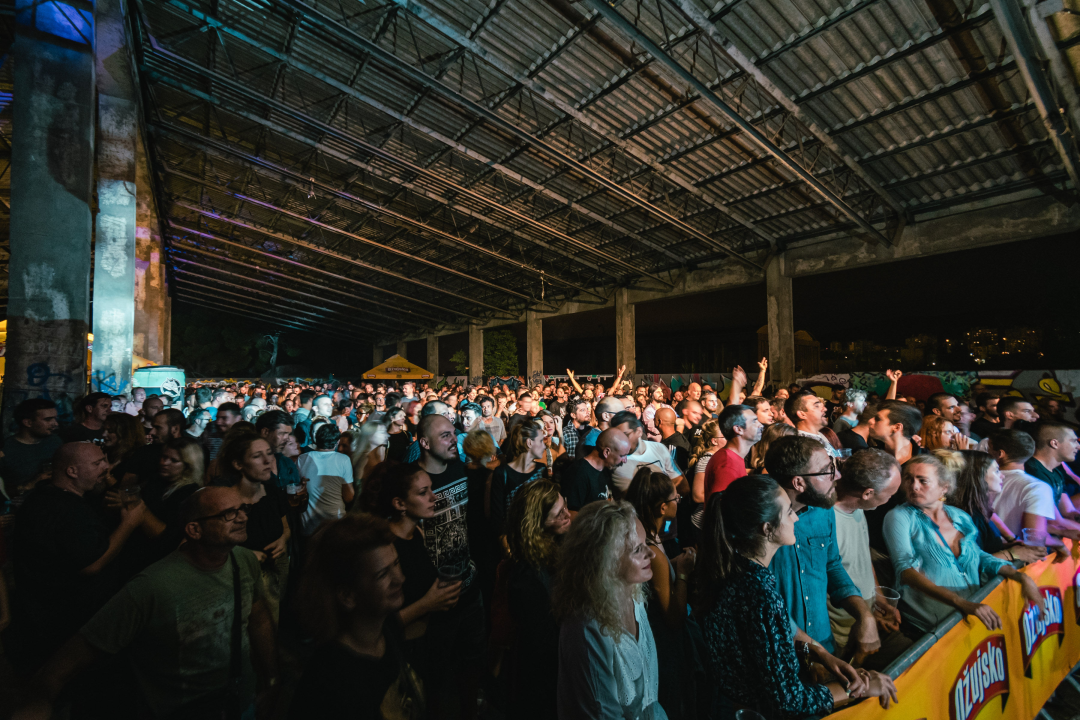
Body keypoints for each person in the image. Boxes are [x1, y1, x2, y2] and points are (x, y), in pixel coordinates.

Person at [17, 487, 278, 720]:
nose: (243, 517)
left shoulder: (243, 561)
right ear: (194, 529)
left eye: (242, 509)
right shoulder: (151, 586)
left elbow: (259, 620)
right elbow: (71, 659)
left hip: (240, 703)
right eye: (228, 514)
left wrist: (269, 680)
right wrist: (40, 699)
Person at [695, 476, 897, 719]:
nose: (796, 518)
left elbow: (760, 648)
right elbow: (789, 701)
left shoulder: (732, 569)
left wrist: (817, 652)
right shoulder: (760, 594)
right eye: (789, 512)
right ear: (767, 529)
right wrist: (860, 688)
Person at [10, 443, 146, 671]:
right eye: (97, 463)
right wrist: (129, 524)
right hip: (62, 621)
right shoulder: (69, 511)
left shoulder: (43, 496)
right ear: (72, 471)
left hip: (38, 613)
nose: (105, 468)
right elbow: (91, 565)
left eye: (104, 460)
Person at [883, 455, 1047, 633]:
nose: (914, 486)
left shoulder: (959, 516)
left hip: (970, 613)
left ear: (944, 487)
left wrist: (1021, 577)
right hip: (931, 624)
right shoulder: (899, 517)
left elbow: (979, 556)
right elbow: (905, 571)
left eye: (923, 481)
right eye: (908, 479)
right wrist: (961, 602)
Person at [289, 512, 424, 717]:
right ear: (347, 595)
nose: (399, 578)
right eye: (382, 574)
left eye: (396, 564)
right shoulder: (328, 682)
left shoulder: (388, 629)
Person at [553, 500, 667, 720]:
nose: (651, 555)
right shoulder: (588, 629)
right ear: (606, 561)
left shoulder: (634, 595)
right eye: (637, 549)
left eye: (646, 543)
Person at [765, 435, 878, 657]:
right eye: (827, 470)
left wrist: (864, 614)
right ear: (798, 482)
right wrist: (812, 650)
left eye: (833, 465)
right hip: (780, 650)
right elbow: (760, 597)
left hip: (823, 640)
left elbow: (832, 565)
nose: (837, 475)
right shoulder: (759, 521)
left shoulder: (823, 510)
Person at [411, 414, 486, 720]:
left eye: (453, 434)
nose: (453, 439)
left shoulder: (461, 469)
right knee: (435, 673)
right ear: (424, 443)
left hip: (469, 587)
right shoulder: (413, 484)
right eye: (444, 436)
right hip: (434, 597)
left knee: (472, 663)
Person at [828, 449, 913, 670]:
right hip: (842, 634)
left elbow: (862, 557)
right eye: (890, 493)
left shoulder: (858, 507)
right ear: (867, 492)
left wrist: (879, 598)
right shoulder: (827, 522)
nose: (891, 499)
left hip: (867, 616)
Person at [626, 469, 699, 720]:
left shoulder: (650, 534)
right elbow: (673, 617)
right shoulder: (653, 554)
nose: (679, 501)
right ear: (663, 508)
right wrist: (683, 573)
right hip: (663, 645)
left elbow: (667, 535)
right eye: (676, 499)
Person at [503, 480, 571, 720]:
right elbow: (543, 646)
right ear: (538, 524)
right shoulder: (527, 578)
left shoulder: (557, 544)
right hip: (544, 682)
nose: (567, 515)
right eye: (558, 514)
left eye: (565, 506)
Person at [215, 432, 291, 622]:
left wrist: (282, 540)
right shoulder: (222, 497)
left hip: (275, 570)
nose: (267, 461)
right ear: (238, 464)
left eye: (269, 453)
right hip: (238, 576)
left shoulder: (272, 487)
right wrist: (245, 555)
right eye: (257, 456)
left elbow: (286, 526)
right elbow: (212, 541)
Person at [989, 429, 1078, 549]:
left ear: (1000, 454)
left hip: (989, 551)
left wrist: (1063, 532)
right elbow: (1034, 537)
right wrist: (1060, 545)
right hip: (1015, 557)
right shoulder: (1037, 486)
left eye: (988, 450)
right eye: (1073, 441)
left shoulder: (985, 479)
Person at [298, 423, 355, 536]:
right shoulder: (343, 459)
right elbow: (349, 497)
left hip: (308, 527)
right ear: (337, 442)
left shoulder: (302, 459)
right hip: (334, 525)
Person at [701, 404, 762, 501]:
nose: (760, 425)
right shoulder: (727, 464)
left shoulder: (734, 457)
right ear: (738, 429)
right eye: (754, 421)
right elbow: (721, 510)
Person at [561, 428, 629, 515]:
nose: (625, 460)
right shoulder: (578, 474)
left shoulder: (606, 469)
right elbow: (571, 515)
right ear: (606, 452)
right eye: (622, 455)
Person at [1025, 422, 1080, 517]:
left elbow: (1068, 512)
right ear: (1054, 443)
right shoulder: (1034, 472)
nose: (1078, 446)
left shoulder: (1056, 473)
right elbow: (1055, 522)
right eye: (1073, 441)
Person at [787, 392, 842, 458]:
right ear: (802, 414)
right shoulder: (801, 447)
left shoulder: (821, 436)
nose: (825, 409)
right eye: (816, 406)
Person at [656, 407, 690, 475]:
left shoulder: (670, 447)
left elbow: (670, 473)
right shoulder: (681, 438)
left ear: (660, 421)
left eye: (654, 418)